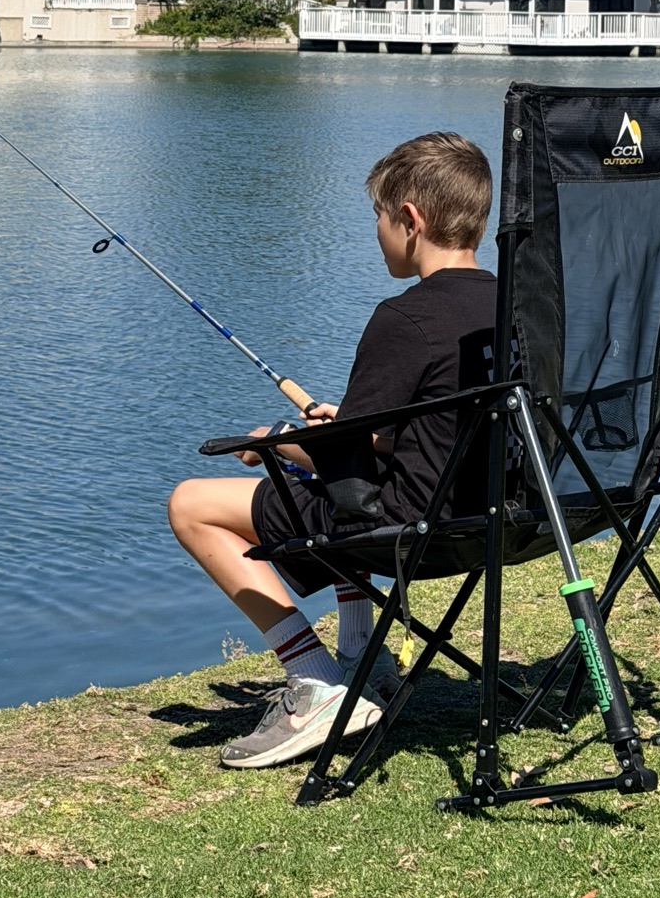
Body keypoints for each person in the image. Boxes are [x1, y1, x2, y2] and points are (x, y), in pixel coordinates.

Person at [167, 131, 496, 769]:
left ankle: (315, 679)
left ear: (410, 220)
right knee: (341, 475)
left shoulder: (405, 318)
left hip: (409, 527)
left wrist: (279, 443)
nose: (377, 231)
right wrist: (350, 428)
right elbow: (443, 428)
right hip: (495, 518)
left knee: (191, 504)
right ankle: (362, 657)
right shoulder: (513, 306)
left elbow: (346, 462)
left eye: (379, 215)